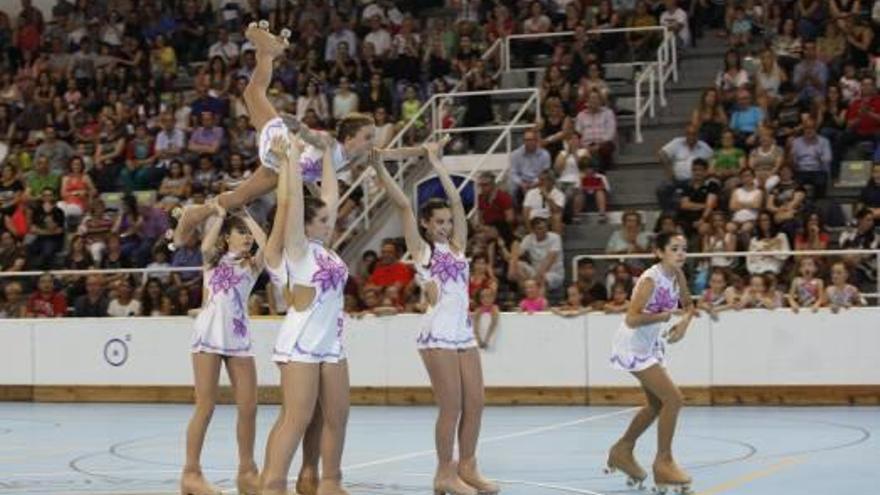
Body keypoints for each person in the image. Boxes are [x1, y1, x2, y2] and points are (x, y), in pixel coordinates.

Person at [173, 23, 421, 248]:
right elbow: (314, 140)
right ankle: (265, 48)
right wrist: (300, 128)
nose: (371, 143)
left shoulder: (351, 156)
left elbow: (392, 153)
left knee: (239, 197)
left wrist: (426, 150)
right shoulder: (330, 144)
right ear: (349, 137)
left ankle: (194, 214)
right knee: (253, 94)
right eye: (367, 137)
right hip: (282, 146)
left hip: (282, 163)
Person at [372, 142, 497, 495]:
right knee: (452, 406)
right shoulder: (422, 250)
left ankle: (468, 466)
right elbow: (401, 206)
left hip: (462, 331)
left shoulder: (458, 245)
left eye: (447, 221)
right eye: (437, 221)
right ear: (426, 225)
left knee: (476, 403)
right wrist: (380, 168)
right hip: (437, 330)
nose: (445, 225)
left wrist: (435, 162)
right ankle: (445, 473)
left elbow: (458, 202)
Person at [260, 135, 350, 495]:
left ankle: (330, 483)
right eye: (324, 220)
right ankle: (273, 485)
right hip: (302, 342)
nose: (331, 222)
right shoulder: (297, 250)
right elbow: (291, 201)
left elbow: (331, 194)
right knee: (296, 419)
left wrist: (328, 153)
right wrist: (290, 160)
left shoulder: (324, 250)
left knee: (337, 417)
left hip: (332, 342)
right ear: (306, 225)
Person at [182, 201, 268, 495]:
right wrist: (220, 217)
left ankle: (247, 471)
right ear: (227, 238)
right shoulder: (213, 262)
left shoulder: (252, 265)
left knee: (249, 406)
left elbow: (266, 243)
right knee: (205, 405)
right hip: (208, 333)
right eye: (240, 232)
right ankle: (191, 473)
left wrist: (246, 215)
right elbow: (206, 246)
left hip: (238, 337)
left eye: (248, 233)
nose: (247, 237)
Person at [606, 232, 695, 493]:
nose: (681, 253)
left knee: (657, 404)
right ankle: (663, 462)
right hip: (632, 344)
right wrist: (663, 316)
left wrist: (683, 325)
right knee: (674, 399)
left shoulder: (677, 275)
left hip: (651, 346)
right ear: (659, 252)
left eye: (683, 249)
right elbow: (632, 319)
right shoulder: (649, 280)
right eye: (674, 249)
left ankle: (622, 450)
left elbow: (689, 305)